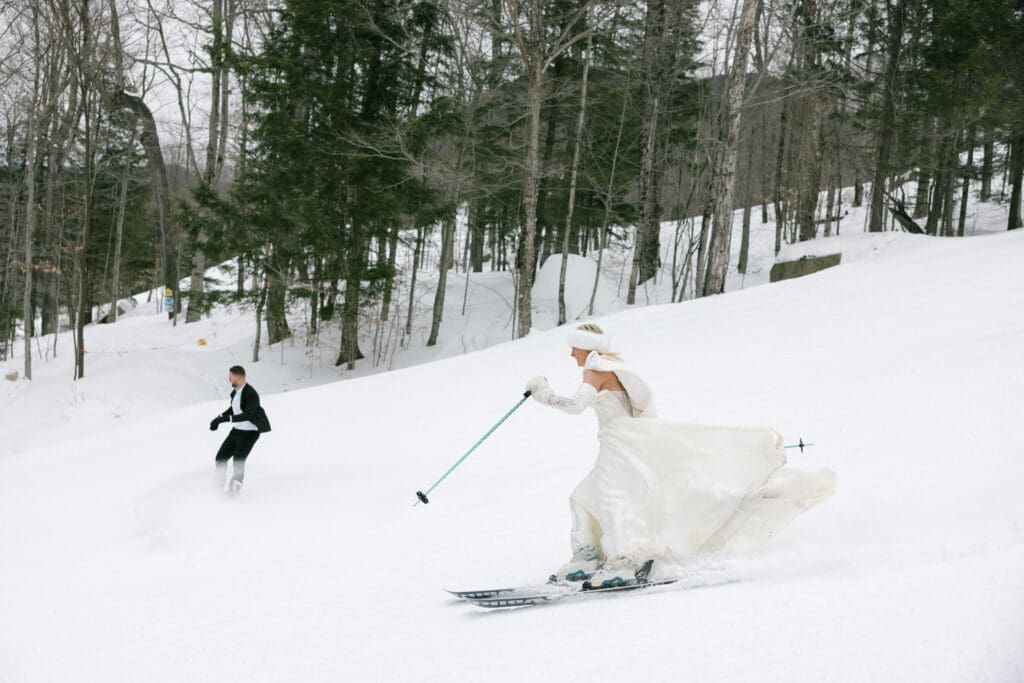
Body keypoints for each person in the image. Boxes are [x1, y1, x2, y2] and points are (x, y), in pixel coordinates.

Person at [526, 324, 835, 587]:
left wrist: (543, 394)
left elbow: (575, 406)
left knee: (610, 499)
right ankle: (588, 558)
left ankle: (624, 561)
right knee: (585, 497)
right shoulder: (611, 370)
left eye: (573, 349)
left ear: (585, 348)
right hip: (624, 440)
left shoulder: (595, 370)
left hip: (619, 444)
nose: (571, 356)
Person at [209, 365, 271, 496]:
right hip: (236, 431)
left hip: (250, 433)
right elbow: (234, 408)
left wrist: (226, 419)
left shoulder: (251, 394)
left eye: (230, 377)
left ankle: (234, 491)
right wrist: (219, 418)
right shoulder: (235, 392)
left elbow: (247, 414)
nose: (229, 380)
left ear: (237, 378)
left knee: (238, 460)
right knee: (221, 457)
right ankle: (219, 483)